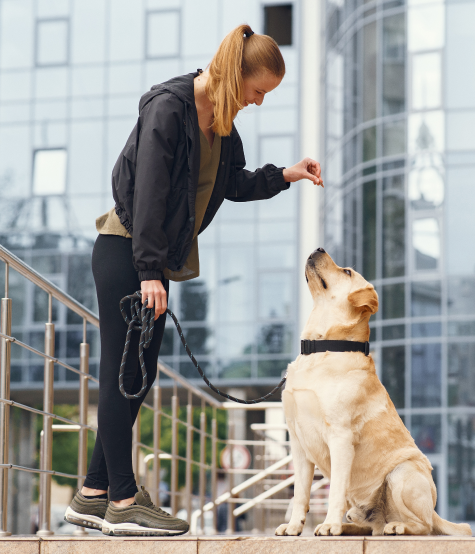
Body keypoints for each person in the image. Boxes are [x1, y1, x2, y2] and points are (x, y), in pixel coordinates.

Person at [63, 24, 322, 537]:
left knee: (139, 373)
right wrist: (149, 270)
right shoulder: (169, 109)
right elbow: (148, 196)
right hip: (125, 252)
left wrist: (287, 174)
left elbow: (234, 184)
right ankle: (121, 499)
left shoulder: (221, 126)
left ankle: (92, 492)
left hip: (148, 262)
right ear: (237, 74)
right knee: (124, 372)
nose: (259, 102)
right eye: (258, 91)